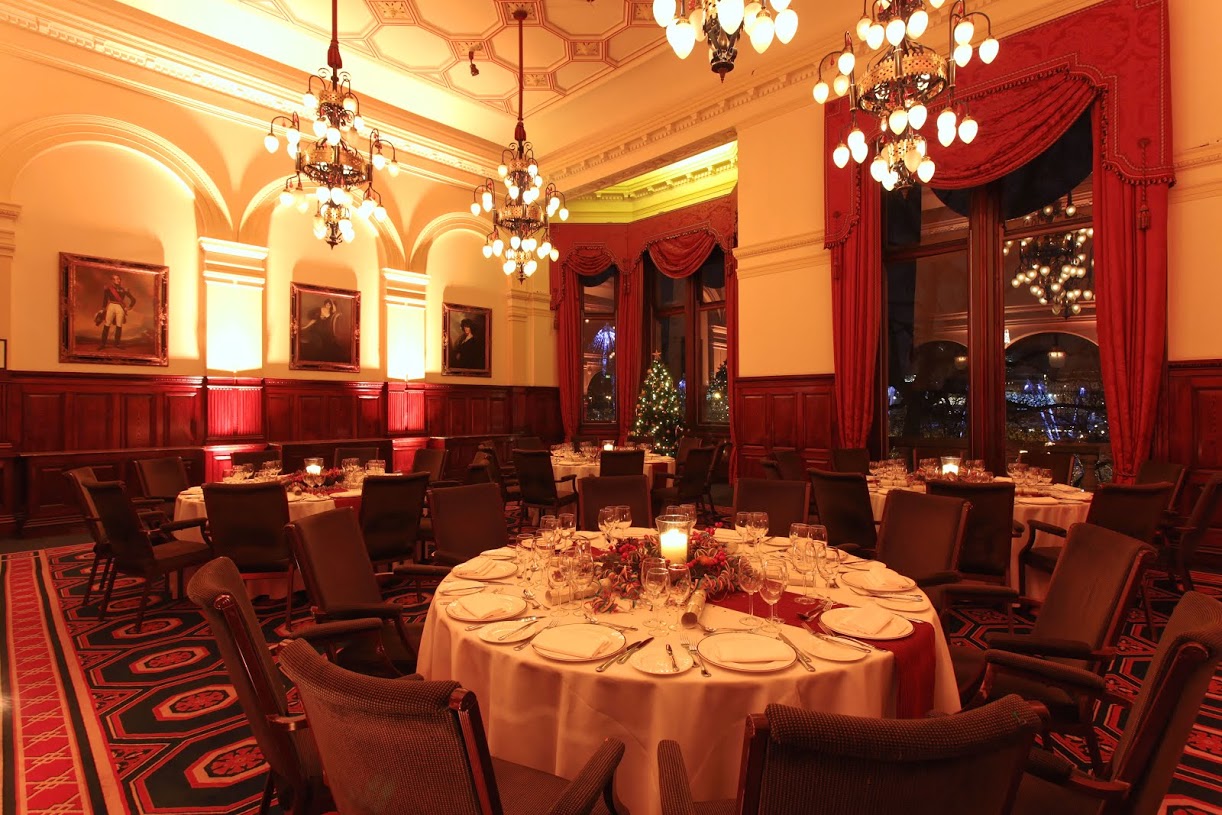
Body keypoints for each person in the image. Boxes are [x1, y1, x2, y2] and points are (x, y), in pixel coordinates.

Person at [299, 297, 347, 363]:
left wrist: (331, 302)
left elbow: (335, 310)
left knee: (329, 343)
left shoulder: (331, 313)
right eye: (327, 304)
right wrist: (305, 327)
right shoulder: (320, 310)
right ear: (325, 304)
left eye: (329, 304)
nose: (328, 305)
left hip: (324, 332)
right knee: (318, 343)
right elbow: (314, 320)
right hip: (316, 330)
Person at [96, 273, 136, 350]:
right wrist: (102, 309)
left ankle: (117, 344)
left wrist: (129, 307)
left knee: (119, 326)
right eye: (116, 279)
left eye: (119, 279)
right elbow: (105, 300)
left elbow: (133, 300)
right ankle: (103, 344)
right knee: (107, 325)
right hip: (111, 306)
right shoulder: (108, 289)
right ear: (112, 280)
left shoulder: (124, 290)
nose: (118, 280)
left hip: (120, 308)